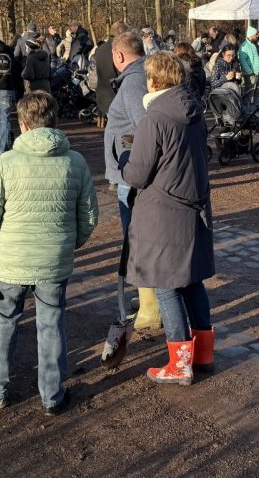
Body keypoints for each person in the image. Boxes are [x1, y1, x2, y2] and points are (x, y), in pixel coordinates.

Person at [0, 92, 97, 413]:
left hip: (9, 262)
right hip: (53, 262)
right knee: (51, 325)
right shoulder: (75, 162)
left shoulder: (6, 162)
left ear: (22, 124)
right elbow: (89, 216)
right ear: (54, 120)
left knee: (4, 324)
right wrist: (69, 244)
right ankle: (52, 396)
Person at [118, 52, 214, 385]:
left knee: (166, 286)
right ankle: (203, 354)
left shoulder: (155, 118)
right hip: (192, 207)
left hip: (162, 212)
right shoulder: (194, 112)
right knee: (192, 281)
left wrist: (124, 159)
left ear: (154, 80)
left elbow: (138, 175)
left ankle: (180, 364)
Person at [103, 31, 162, 329]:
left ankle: (152, 308)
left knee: (137, 239)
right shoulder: (140, 76)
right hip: (131, 173)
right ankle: (148, 295)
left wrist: (134, 169)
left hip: (132, 176)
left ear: (120, 55)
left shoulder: (132, 81)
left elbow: (144, 128)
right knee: (137, 238)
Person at [95, 21, 127, 123]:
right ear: (122, 34)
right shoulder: (117, 49)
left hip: (102, 94)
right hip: (115, 97)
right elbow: (120, 74)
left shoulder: (100, 49)